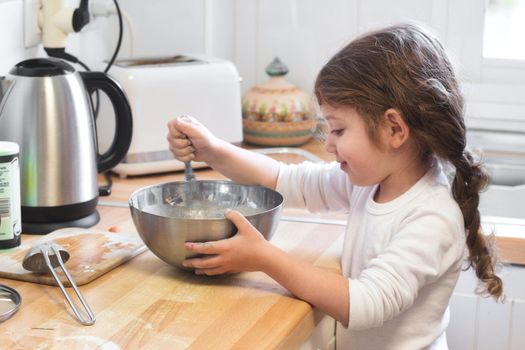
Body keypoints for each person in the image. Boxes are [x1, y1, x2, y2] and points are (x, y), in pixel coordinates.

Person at [166, 23, 503, 350]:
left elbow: (366, 304)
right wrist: (212, 149)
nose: (329, 144)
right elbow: (283, 180)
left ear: (394, 129)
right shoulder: (370, 182)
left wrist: (264, 258)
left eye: (339, 130)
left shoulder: (432, 217)